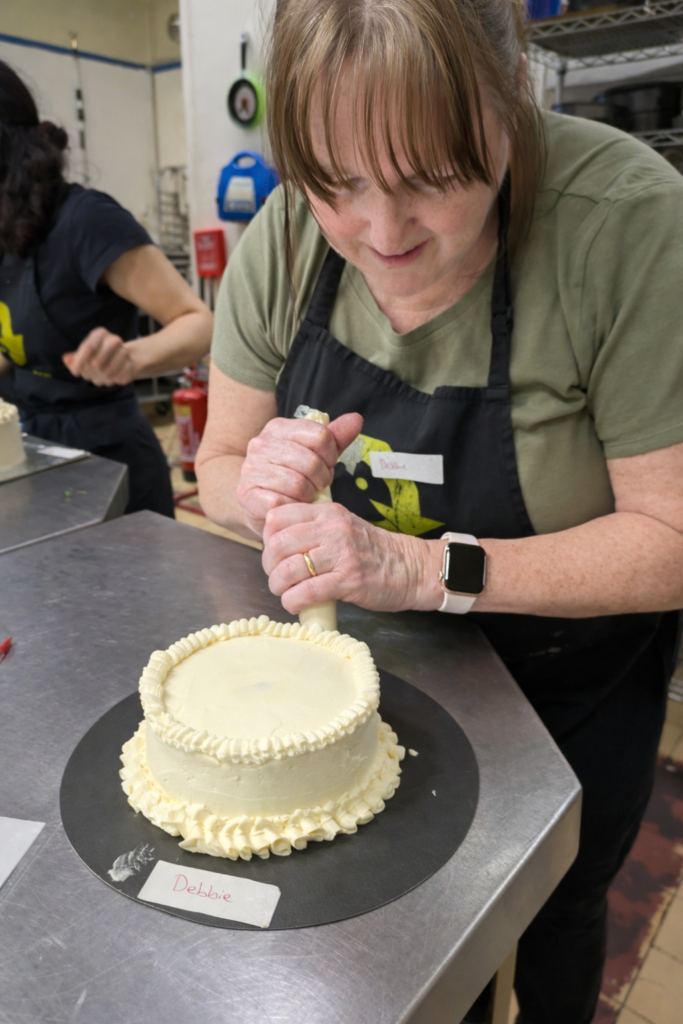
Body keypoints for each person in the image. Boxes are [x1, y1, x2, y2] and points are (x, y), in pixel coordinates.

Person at [196, 1, 683, 1020]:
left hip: (566, 690)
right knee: (397, 943)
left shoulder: (623, 224)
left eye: (428, 177)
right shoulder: (286, 237)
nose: (382, 235)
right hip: (365, 689)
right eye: (337, 183)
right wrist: (260, 488)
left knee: (554, 912)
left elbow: (670, 535)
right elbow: (217, 461)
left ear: (511, 99)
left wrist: (422, 568)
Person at [0, 61, 213, 516]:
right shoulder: (5, 232)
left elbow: (198, 323)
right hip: (31, 457)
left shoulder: (86, 221)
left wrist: (131, 357)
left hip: (112, 465)